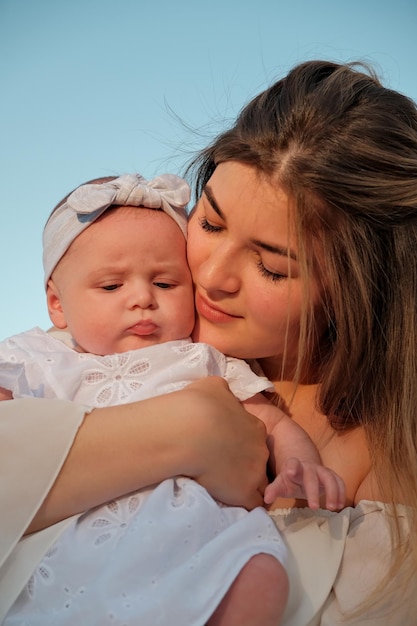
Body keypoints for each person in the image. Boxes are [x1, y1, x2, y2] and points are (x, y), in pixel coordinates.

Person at [1, 58, 417, 624]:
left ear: (359, 293)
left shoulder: (392, 464)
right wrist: (185, 431)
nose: (212, 275)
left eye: (271, 266)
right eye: (211, 224)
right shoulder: (84, 347)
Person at [0, 172, 344, 625]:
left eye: (165, 283)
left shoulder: (201, 359)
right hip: (70, 541)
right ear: (57, 303)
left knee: (262, 576)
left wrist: (303, 465)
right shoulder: (37, 356)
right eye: (111, 286)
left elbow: (274, 424)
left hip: (189, 540)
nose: (142, 298)